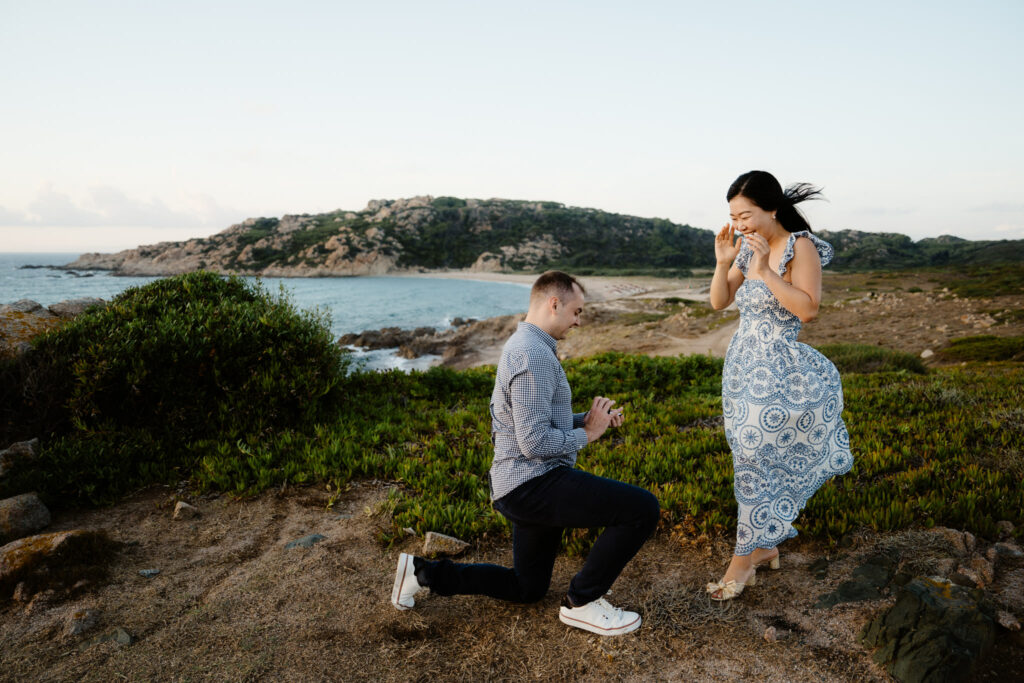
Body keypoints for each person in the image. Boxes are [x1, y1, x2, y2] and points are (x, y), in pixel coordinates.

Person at [391, 270, 660, 635]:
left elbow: (535, 420)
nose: (578, 321)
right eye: (577, 312)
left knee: (527, 588)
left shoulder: (530, 347)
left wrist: (590, 419)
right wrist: (588, 435)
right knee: (641, 509)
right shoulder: (532, 355)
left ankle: (423, 573)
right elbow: (533, 443)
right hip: (534, 483)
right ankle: (582, 603)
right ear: (553, 303)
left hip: (521, 484)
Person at [707, 170, 853, 600]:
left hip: (781, 372)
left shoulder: (799, 246)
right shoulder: (744, 247)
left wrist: (765, 272)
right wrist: (722, 262)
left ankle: (742, 561)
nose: (740, 224)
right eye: (733, 216)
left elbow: (808, 310)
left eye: (746, 214)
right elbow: (719, 301)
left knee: (755, 458)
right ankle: (766, 547)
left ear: (772, 208)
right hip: (742, 370)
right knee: (749, 458)